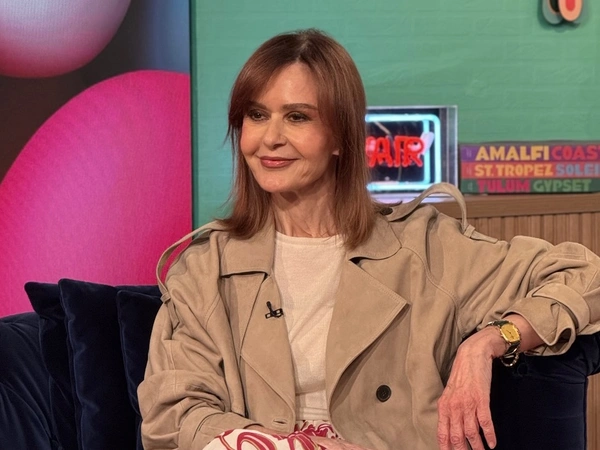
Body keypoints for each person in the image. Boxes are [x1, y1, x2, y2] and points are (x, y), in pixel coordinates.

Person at [138, 28, 600, 450]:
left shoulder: (425, 248)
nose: (270, 138)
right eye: (257, 115)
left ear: (340, 136)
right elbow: (172, 415)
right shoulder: (205, 268)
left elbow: (587, 276)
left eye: (296, 117)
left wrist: (491, 340)